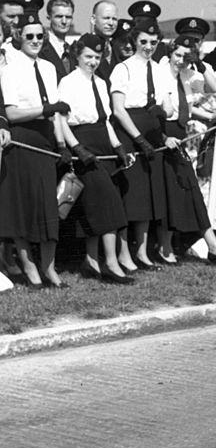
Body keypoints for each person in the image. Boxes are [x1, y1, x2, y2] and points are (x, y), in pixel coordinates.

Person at [55, 33, 132, 284]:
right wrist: (77, 148)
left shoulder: (100, 82)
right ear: (77, 56)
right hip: (83, 143)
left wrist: (118, 146)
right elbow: (61, 120)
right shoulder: (68, 82)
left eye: (97, 57)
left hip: (103, 142)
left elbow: (105, 119)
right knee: (108, 203)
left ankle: (91, 260)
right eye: (88, 56)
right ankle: (110, 262)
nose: (93, 62)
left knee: (96, 205)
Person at [157, 36, 216, 266]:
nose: (181, 60)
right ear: (170, 53)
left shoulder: (188, 74)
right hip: (163, 132)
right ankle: (166, 246)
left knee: (189, 189)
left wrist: (199, 64)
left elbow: (214, 88)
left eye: (186, 56)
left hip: (180, 133)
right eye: (178, 55)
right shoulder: (159, 72)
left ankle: (212, 245)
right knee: (171, 192)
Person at [0, 10, 67, 287]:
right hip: (22, 139)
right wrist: (44, 109)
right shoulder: (9, 69)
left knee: (48, 205)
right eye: (30, 36)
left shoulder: (49, 68)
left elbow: (57, 111)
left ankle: (49, 268)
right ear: (19, 37)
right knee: (23, 206)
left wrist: (62, 143)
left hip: (45, 138)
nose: (36, 40)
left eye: (40, 35)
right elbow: (12, 113)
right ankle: (29, 267)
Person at [109, 2, 170, 272]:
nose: (148, 46)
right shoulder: (123, 69)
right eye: (144, 41)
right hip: (129, 133)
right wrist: (138, 139)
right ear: (135, 41)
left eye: (153, 42)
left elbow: (169, 106)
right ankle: (124, 254)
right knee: (130, 196)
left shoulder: (159, 69)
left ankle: (142, 252)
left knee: (147, 195)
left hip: (152, 132)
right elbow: (118, 109)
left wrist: (162, 111)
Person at [40, 0, 76, 79]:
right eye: (59, 17)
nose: (64, 21)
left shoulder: (74, 51)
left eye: (68, 17)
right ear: (49, 18)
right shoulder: (40, 48)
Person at [90, 0, 119, 80]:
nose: (111, 23)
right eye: (106, 18)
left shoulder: (117, 49)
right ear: (93, 20)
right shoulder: (82, 48)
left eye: (114, 19)